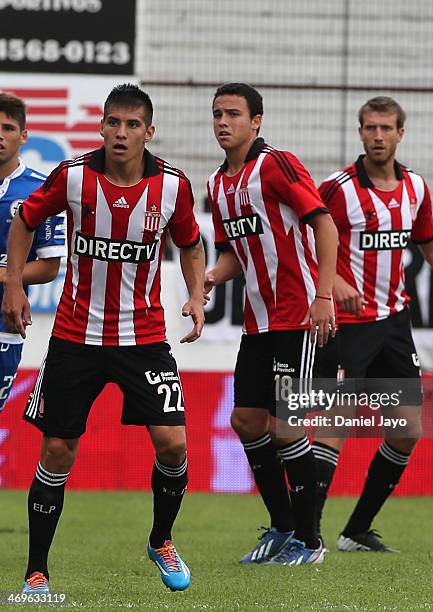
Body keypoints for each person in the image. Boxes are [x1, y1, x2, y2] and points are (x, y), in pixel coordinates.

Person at [2, 84, 205, 593]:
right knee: (58, 450)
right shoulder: (72, 177)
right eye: (113, 122)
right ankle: (36, 572)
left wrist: (197, 296)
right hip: (75, 336)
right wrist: (13, 286)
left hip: (144, 338)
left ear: (148, 132)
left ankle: (160, 539)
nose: (121, 132)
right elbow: (24, 221)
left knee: (173, 443)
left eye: (132, 124)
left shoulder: (173, 187)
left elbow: (191, 244)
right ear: (101, 126)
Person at [312, 96, 433, 552]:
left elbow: (432, 246)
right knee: (336, 424)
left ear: (400, 133)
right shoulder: (337, 189)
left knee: (408, 430)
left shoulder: (415, 188)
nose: (377, 136)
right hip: (347, 326)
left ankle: (355, 530)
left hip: (393, 323)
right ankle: (305, 534)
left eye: (385, 128)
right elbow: (305, 241)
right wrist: (333, 282)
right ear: (359, 133)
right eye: (369, 128)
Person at [204, 82, 338, 565]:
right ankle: (283, 528)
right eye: (217, 113)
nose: (223, 122)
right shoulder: (216, 184)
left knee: (287, 427)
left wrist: (322, 295)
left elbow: (324, 222)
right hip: (258, 323)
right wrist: (212, 277)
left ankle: (311, 540)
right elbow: (234, 252)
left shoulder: (276, 164)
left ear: (256, 121)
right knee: (245, 420)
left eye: (234, 114)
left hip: (299, 316)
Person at [0, 93, 65, 414]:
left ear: (24, 136)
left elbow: (49, 268)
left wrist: (5, 276)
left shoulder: (41, 191)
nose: (0, 135)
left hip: (5, 324)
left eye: (8, 128)